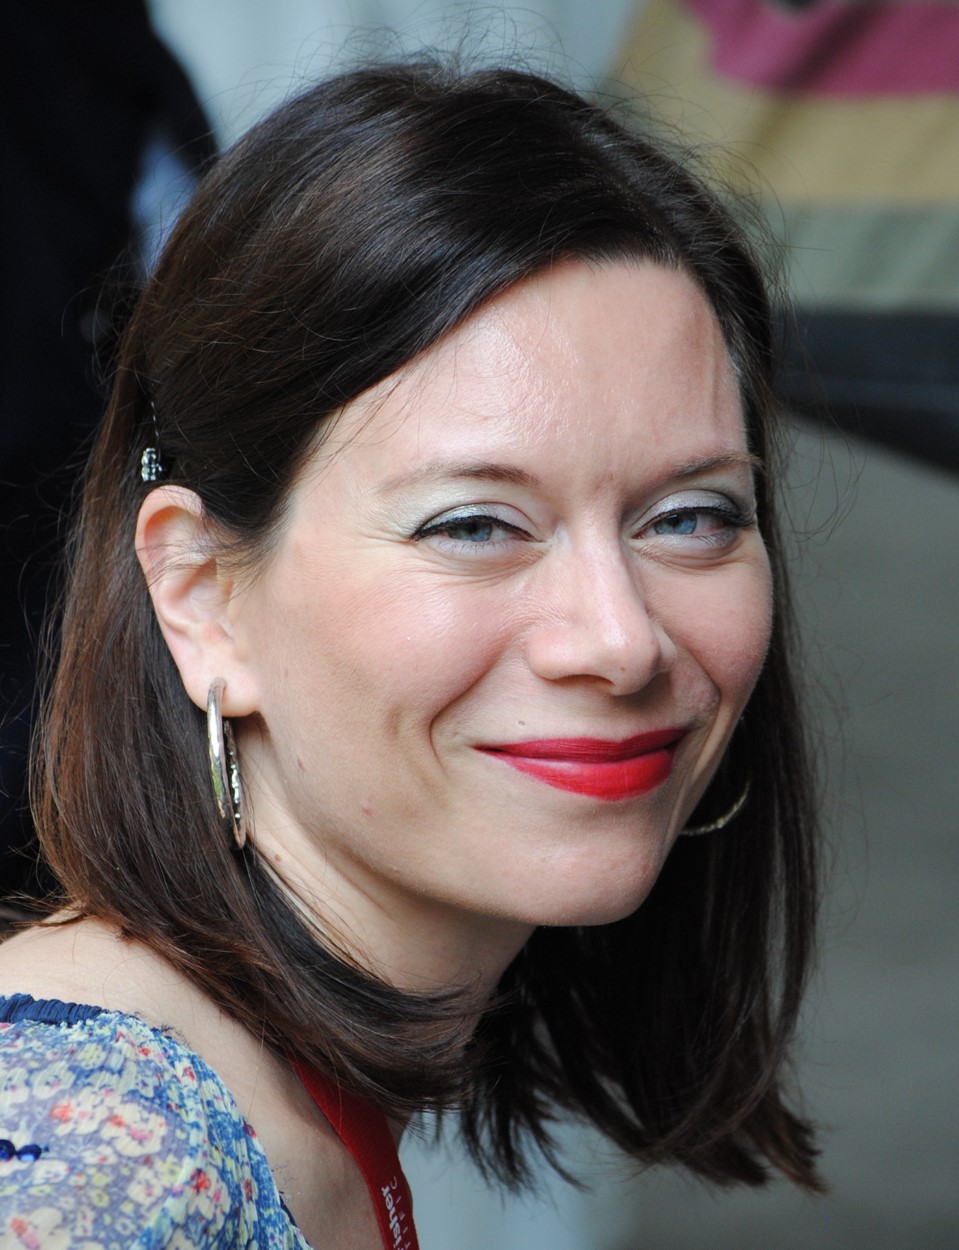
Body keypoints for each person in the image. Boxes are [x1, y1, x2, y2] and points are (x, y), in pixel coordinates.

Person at [0, 59, 822, 1248]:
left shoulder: (256, 1104)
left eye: (689, 516)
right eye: (474, 525)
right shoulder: (105, 1176)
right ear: (202, 596)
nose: (619, 638)